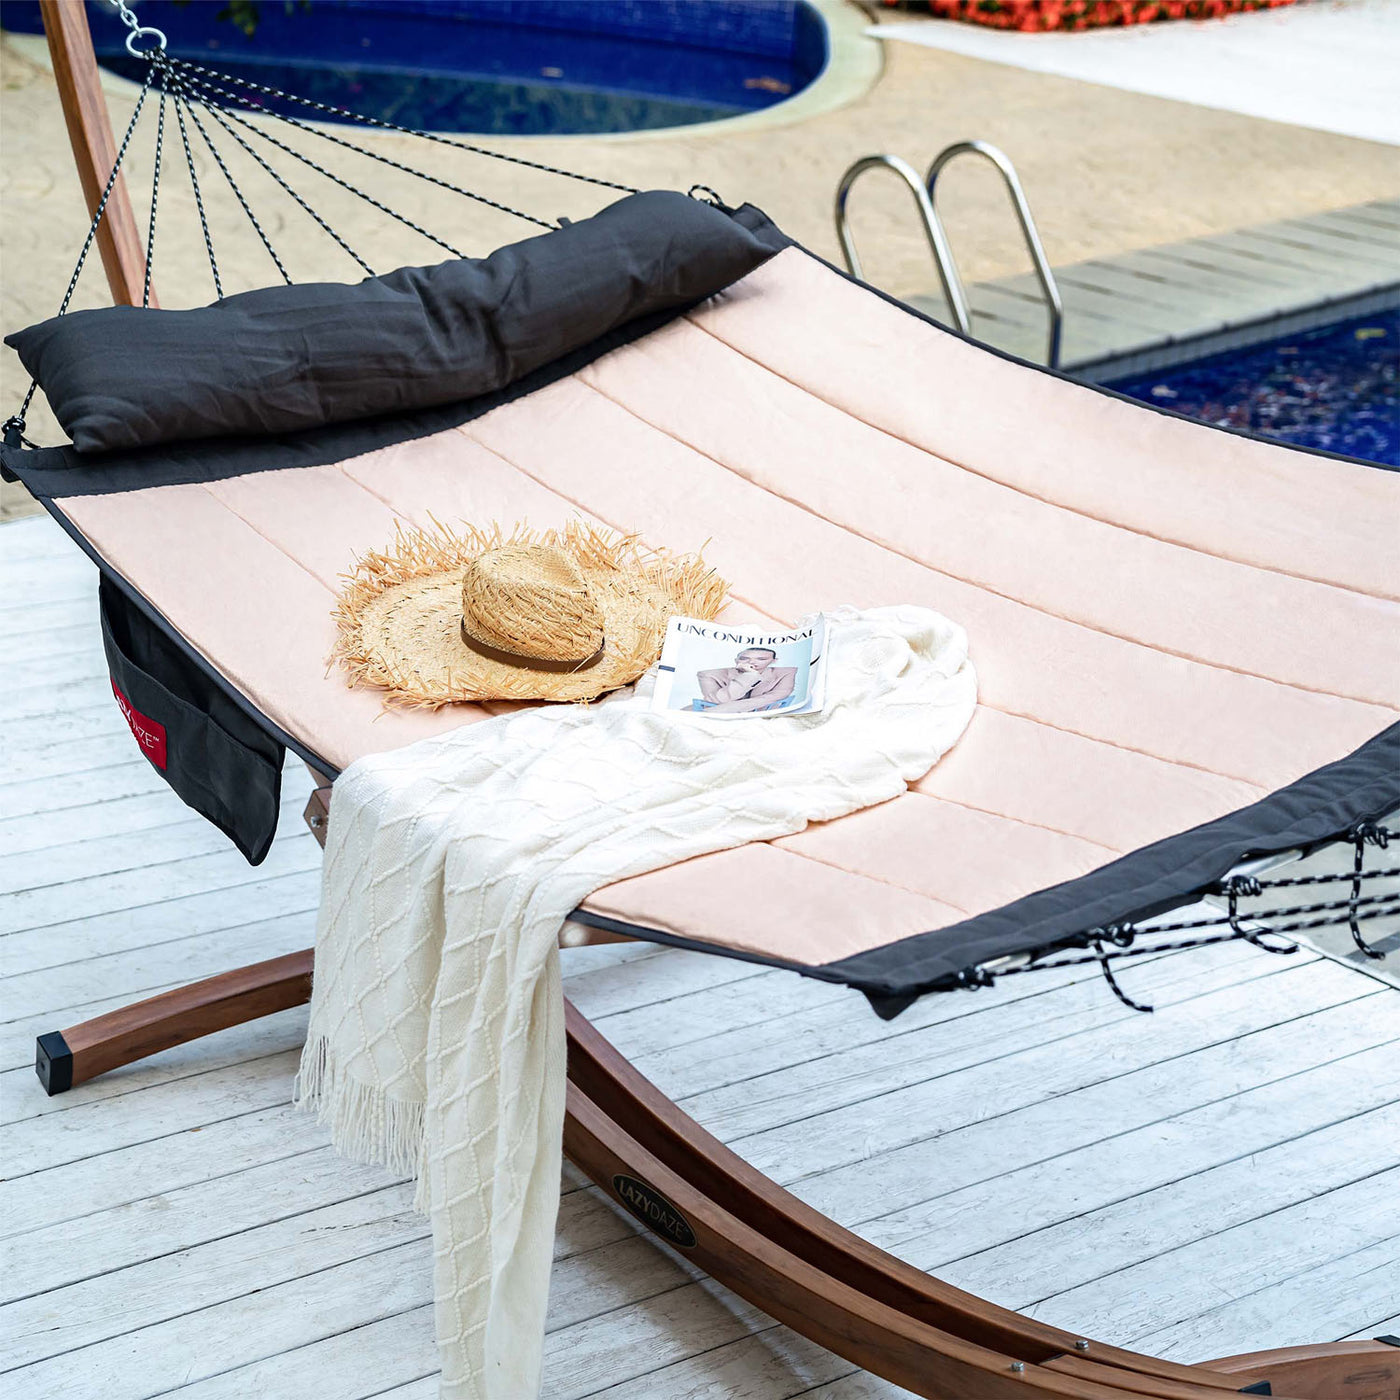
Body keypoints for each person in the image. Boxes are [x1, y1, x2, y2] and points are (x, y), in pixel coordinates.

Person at [696, 646, 797, 714]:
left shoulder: (786, 672)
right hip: (715, 721)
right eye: (744, 659)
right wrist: (750, 675)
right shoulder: (708, 674)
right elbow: (719, 700)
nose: (752, 662)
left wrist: (730, 708)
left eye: (761, 659)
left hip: (765, 720)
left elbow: (774, 697)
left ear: (774, 661)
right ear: (736, 661)